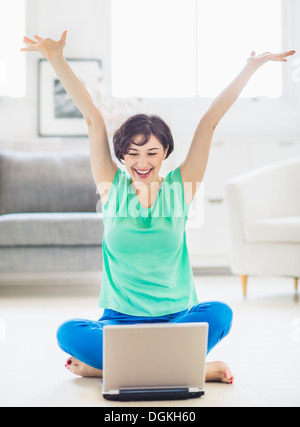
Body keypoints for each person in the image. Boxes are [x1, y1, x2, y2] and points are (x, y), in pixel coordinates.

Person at [21, 31, 295, 384]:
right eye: (132, 153)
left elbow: (209, 122)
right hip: (118, 321)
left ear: (166, 152)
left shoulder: (182, 188)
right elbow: (93, 120)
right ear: (121, 156)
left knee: (221, 313)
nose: (142, 162)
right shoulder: (111, 186)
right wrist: (57, 59)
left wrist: (250, 69)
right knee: (68, 333)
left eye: (152, 152)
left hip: (176, 320)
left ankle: (111, 368)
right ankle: (185, 367)